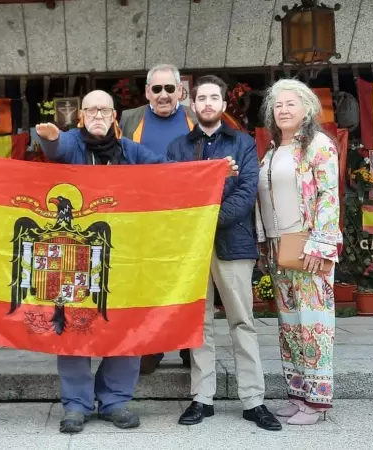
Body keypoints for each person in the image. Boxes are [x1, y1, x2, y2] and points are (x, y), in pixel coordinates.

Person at [36, 89, 238, 434]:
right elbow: (56, 147)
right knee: (72, 326)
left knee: (125, 326)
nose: (98, 115)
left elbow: (172, 173)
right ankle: (76, 404)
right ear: (81, 116)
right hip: (78, 259)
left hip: (125, 260)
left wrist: (212, 172)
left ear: (115, 116)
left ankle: (115, 400)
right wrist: (49, 139)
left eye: (104, 110)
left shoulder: (130, 151)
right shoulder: (72, 143)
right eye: (91, 110)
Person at [167, 75, 281, 431]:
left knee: (242, 321)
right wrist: (199, 210)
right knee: (198, 324)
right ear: (193, 103)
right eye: (201, 98)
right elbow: (175, 194)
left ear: (223, 104)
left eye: (214, 97)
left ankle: (253, 400)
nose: (207, 103)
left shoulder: (243, 143)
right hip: (192, 249)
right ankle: (202, 398)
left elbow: (246, 193)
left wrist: (205, 215)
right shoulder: (179, 147)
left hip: (233, 243)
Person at [255, 78, 340, 425]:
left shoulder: (318, 145)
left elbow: (328, 195)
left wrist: (321, 243)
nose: (284, 110)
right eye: (278, 105)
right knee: (289, 324)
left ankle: (318, 402)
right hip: (279, 248)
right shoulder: (273, 150)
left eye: (291, 103)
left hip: (308, 245)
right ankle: (298, 393)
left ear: (307, 109)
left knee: (313, 323)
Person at [119, 64, 197, 373]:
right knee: (148, 284)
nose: (163, 95)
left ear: (180, 91)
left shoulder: (195, 117)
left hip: (186, 218)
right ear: (147, 92)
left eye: (169, 89)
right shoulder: (129, 119)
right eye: (156, 89)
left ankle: (190, 348)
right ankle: (152, 347)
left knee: (187, 283)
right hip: (143, 219)